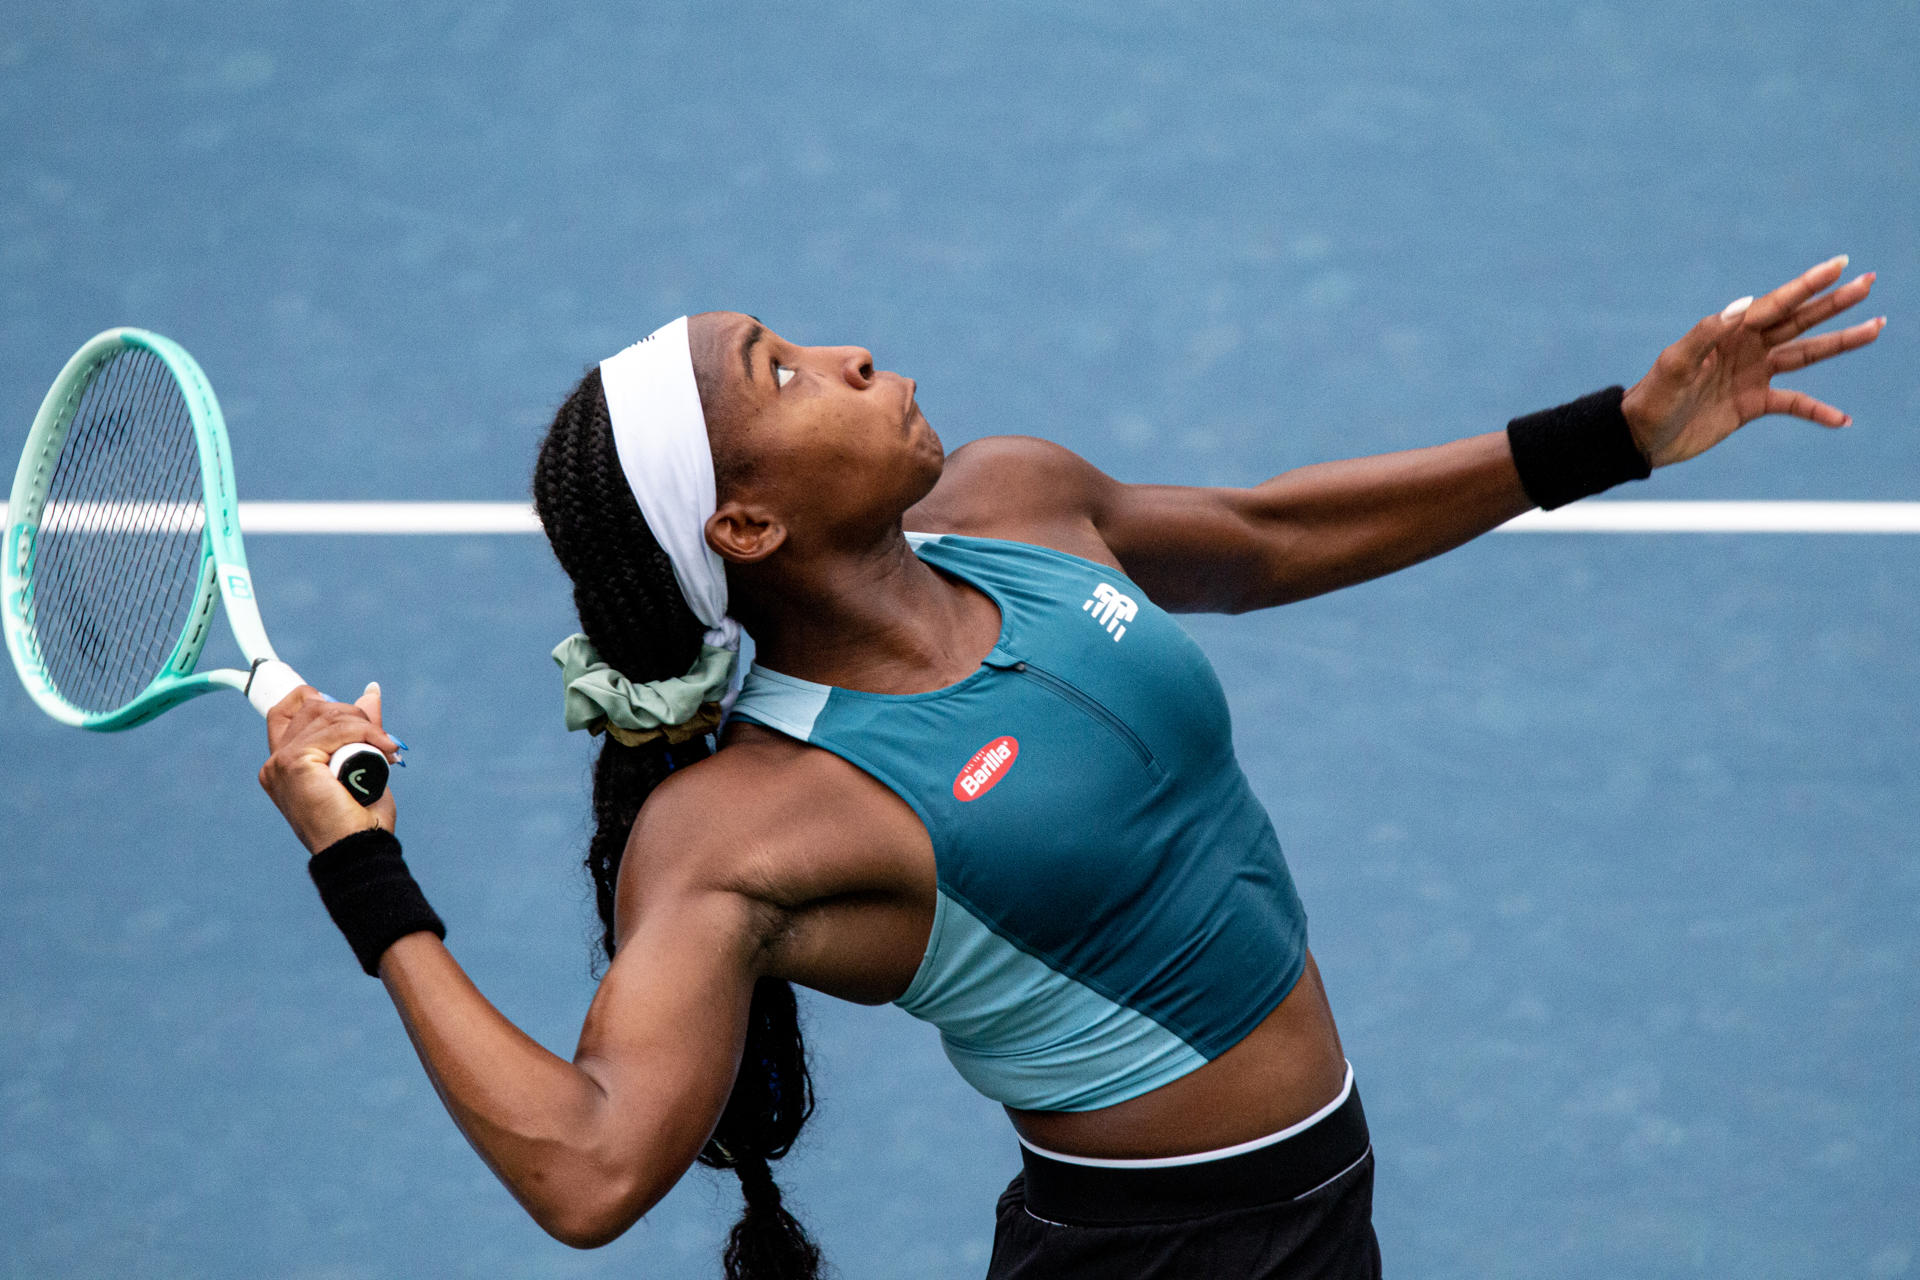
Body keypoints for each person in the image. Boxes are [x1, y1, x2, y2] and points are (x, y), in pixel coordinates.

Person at [259, 256, 1882, 1279]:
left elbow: (1263, 538)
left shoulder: (1017, 503)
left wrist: (1620, 435)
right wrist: (364, 872)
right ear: (743, 528)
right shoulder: (748, 822)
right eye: (782, 371)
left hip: (1316, 1198)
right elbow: (593, 1166)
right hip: (1155, 1258)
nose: (848, 353)